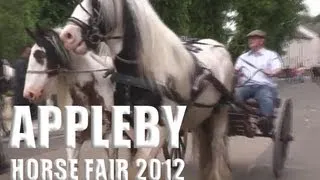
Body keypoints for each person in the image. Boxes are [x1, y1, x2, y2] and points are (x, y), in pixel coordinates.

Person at [234, 30, 283, 135]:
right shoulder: (243, 57)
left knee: (265, 96)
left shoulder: (270, 55)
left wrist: (272, 72)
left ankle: (265, 121)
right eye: (249, 38)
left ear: (261, 41)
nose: (250, 40)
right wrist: (236, 74)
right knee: (233, 96)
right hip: (245, 86)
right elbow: (235, 71)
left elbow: (278, 68)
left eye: (254, 38)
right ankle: (241, 119)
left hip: (264, 86)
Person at [13, 45, 38, 133]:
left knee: (25, 112)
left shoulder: (23, 62)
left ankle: (24, 132)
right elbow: (22, 77)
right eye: (29, 52)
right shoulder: (21, 63)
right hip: (21, 93)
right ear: (24, 52)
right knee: (23, 112)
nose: (30, 54)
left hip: (22, 92)